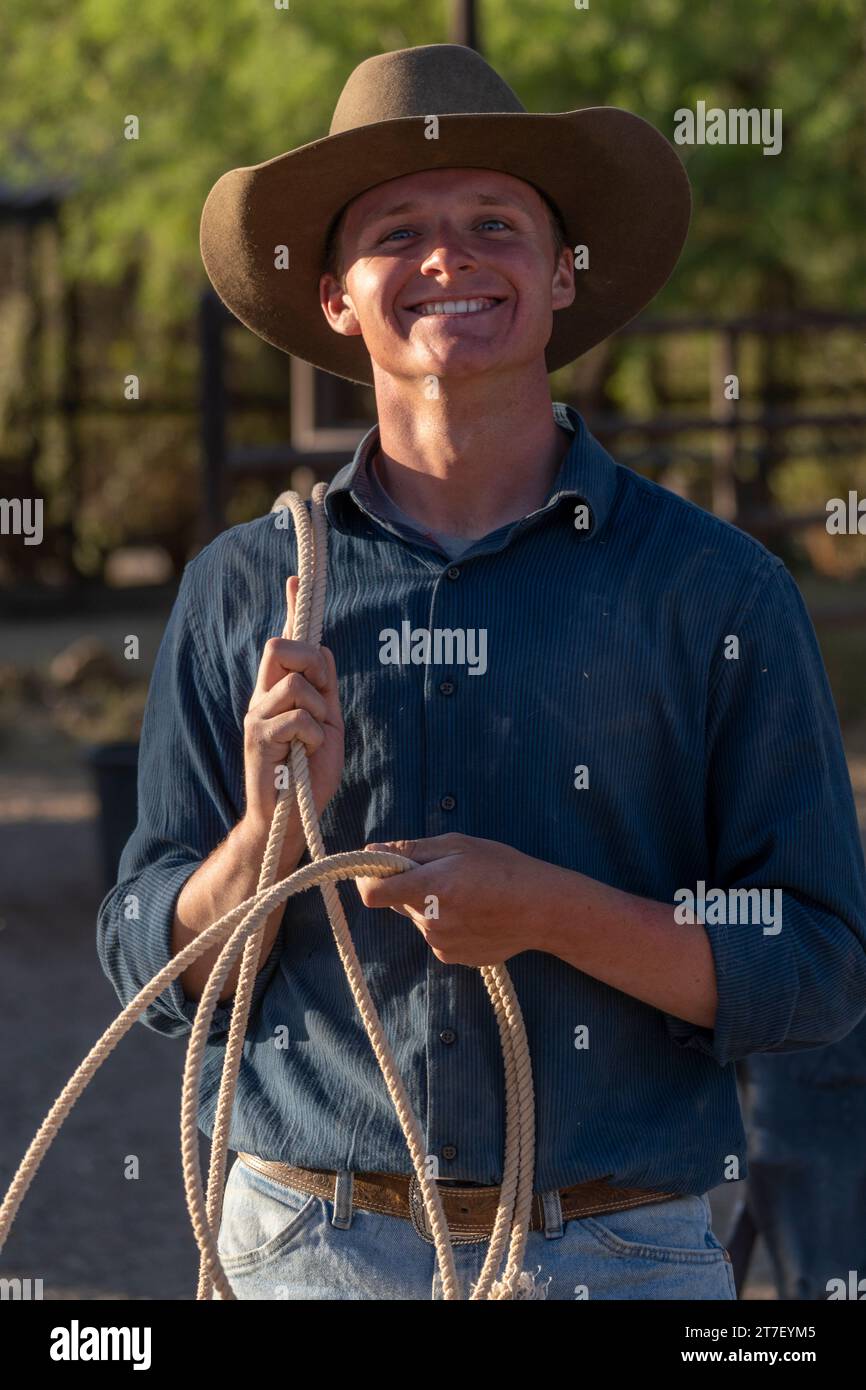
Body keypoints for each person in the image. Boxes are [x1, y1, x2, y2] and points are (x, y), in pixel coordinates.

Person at [97, 43, 866, 1301]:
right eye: (397, 231)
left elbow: (816, 958)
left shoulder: (715, 592)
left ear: (562, 275)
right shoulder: (242, 589)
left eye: (492, 224)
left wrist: (555, 912)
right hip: (308, 1244)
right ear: (339, 297)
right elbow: (150, 962)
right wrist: (265, 846)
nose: (447, 258)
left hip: (618, 1250)